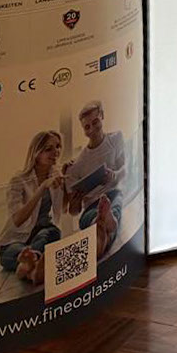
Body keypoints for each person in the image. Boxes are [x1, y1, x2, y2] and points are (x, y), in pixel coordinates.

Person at [0, 131, 65, 283]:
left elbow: (65, 209)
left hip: (41, 233)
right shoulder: (18, 180)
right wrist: (42, 187)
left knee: (53, 232)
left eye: (58, 146)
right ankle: (33, 263)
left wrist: (72, 178)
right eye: (48, 149)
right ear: (36, 153)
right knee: (13, 252)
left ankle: (29, 264)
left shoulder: (56, 174)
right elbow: (17, 220)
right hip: (15, 239)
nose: (56, 152)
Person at [64, 100, 125, 258]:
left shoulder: (115, 139)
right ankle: (105, 220)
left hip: (111, 193)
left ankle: (102, 224)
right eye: (87, 127)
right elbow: (74, 211)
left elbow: (124, 170)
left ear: (102, 116)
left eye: (95, 122)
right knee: (91, 218)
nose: (92, 129)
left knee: (115, 202)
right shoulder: (77, 164)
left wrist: (113, 175)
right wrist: (76, 201)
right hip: (90, 205)